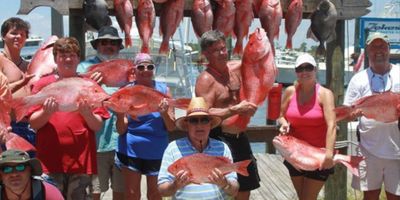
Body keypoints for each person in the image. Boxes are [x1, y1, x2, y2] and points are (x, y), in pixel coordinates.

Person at [27, 37, 110, 200]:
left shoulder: (89, 86)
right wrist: (46, 113)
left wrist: (87, 114)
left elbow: (97, 126)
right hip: (49, 161)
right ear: (56, 58)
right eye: (63, 55)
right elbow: (34, 123)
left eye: (72, 55)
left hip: (80, 162)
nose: (68, 59)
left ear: (78, 58)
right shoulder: (42, 85)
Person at [195, 30, 260, 200]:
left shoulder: (236, 68)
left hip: (241, 138)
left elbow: (261, 62)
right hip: (220, 139)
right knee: (220, 189)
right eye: (217, 50)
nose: (223, 53)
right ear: (206, 54)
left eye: (224, 48)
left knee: (246, 188)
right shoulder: (206, 80)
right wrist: (235, 110)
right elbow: (204, 114)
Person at [344, 32, 400, 200]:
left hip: (398, 151)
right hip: (368, 150)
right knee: (369, 196)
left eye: (382, 46)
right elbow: (348, 113)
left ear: (389, 49)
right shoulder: (358, 79)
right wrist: (352, 114)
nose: (379, 50)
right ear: (367, 51)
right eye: (374, 47)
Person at [277, 53, 337, 200]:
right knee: (302, 197)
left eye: (308, 67)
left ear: (315, 69)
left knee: (308, 197)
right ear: (296, 72)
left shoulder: (325, 94)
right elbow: (280, 116)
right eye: (300, 69)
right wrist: (284, 124)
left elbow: (332, 125)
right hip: (295, 154)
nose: (304, 72)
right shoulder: (290, 91)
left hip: (318, 155)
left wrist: (329, 154)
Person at [115, 53, 175, 200]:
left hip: (157, 150)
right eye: (141, 66)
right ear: (134, 70)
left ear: (154, 69)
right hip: (131, 149)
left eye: (150, 66)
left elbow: (172, 127)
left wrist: (164, 113)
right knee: (131, 193)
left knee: (155, 194)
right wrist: (120, 113)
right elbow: (121, 130)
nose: (145, 70)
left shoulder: (164, 91)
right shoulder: (125, 91)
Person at [158, 97, 239, 199]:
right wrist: (175, 185)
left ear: (210, 124)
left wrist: (225, 184)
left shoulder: (222, 147)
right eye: (193, 120)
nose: (199, 125)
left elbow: (234, 190)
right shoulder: (172, 148)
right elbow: (162, 190)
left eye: (204, 120)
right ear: (187, 125)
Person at [77, 26, 124, 200]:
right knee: (94, 192)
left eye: (113, 42)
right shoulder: (84, 67)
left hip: (122, 143)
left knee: (121, 192)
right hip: (95, 143)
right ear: (97, 45)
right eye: (104, 42)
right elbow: (76, 96)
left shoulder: (125, 68)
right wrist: (88, 82)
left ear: (119, 47)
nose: (108, 46)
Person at [0, 17, 36, 155]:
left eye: (23, 34)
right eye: (14, 33)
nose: (19, 37)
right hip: (9, 128)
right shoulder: (1, 61)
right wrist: (21, 83)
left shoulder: (29, 65)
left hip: (31, 128)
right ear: (4, 36)